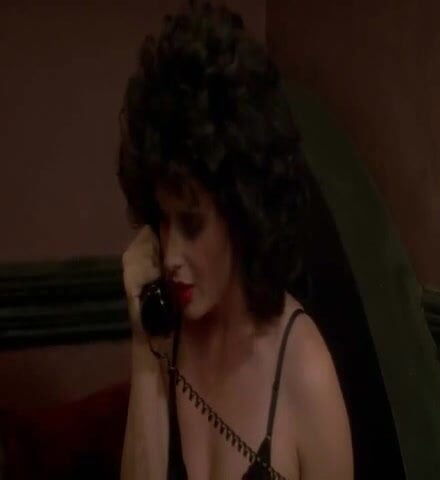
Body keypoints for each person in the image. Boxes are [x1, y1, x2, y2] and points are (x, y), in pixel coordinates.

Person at [117, 3, 353, 479]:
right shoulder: (168, 337)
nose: (171, 256)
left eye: (192, 224)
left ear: (245, 211)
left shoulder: (304, 370)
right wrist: (146, 347)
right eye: (163, 222)